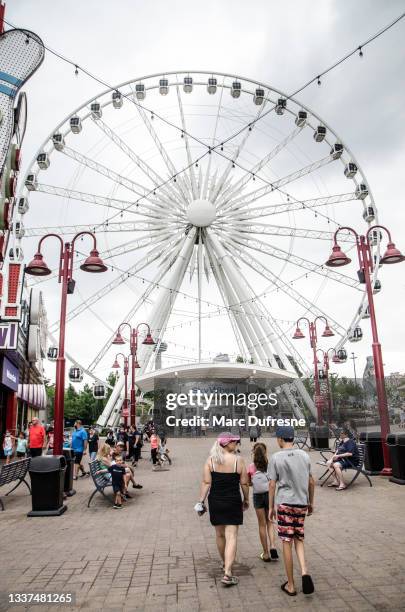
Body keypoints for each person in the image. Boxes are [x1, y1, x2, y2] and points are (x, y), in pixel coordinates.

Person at [197, 432, 249, 587]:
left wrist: (201, 501)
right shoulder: (238, 461)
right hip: (233, 501)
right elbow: (244, 483)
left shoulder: (210, 461)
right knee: (231, 536)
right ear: (226, 443)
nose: (236, 444)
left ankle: (224, 563)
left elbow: (206, 482)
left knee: (219, 535)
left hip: (216, 501)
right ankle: (228, 572)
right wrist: (246, 499)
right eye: (235, 442)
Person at [268, 425, 315, 597]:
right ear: (293, 438)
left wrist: (271, 507)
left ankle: (291, 584)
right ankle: (304, 571)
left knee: (286, 541)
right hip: (301, 503)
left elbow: (272, 484)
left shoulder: (276, 457)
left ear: (280, 439)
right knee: (299, 538)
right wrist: (310, 502)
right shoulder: (304, 455)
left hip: (285, 504)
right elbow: (311, 482)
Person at [247, 442, 278, 562]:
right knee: (270, 522)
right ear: (265, 452)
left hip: (258, 496)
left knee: (261, 525)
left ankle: (265, 553)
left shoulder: (251, 467)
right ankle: (273, 546)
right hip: (269, 495)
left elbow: (249, 483)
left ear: (254, 453)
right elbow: (273, 482)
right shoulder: (270, 465)